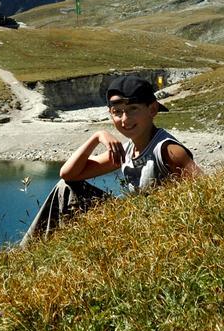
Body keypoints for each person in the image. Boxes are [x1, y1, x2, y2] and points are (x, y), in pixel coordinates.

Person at [20, 75, 198, 245]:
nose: (125, 119)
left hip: (158, 230)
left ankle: (28, 253)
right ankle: (29, 251)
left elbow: (205, 193)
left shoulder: (168, 150)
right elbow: (68, 174)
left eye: (133, 109)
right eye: (117, 112)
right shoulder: (127, 150)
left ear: (152, 110)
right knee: (65, 188)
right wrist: (97, 137)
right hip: (133, 221)